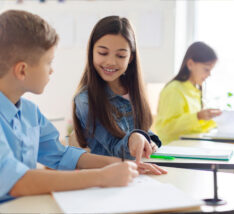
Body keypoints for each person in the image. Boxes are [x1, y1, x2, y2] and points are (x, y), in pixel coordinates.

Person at [0, 10, 166, 203]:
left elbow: (62, 155)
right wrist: (102, 177)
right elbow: (16, 181)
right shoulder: (84, 98)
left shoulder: (30, 112)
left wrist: (122, 165)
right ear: (22, 70)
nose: (52, 70)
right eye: (49, 62)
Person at [73, 16, 162, 163]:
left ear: (130, 58)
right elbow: (115, 148)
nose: (111, 62)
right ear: (91, 53)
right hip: (108, 176)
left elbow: (143, 130)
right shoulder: (85, 100)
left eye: (121, 56)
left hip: (137, 172)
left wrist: (148, 140)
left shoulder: (133, 92)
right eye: (103, 53)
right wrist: (135, 139)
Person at [154, 42, 222, 144]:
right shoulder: (174, 89)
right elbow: (167, 128)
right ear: (190, 64)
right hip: (172, 148)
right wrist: (198, 116)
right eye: (206, 69)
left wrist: (215, 121)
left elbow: (194, 127)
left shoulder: (194, 90)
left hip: (189, 145)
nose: (209, 74)